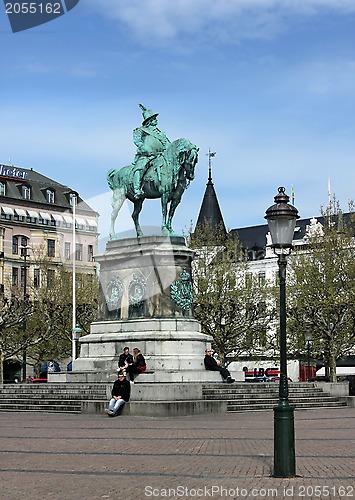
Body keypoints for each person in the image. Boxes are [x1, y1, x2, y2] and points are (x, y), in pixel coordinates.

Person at [131, 104, 171, 199]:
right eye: (153, 119)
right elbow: (138, 141)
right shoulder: (141, 130)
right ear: (149, 121)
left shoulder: (160, 133)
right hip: (147, 155)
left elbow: (167, 144)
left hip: (160, 156)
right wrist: (144, 149)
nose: (156, 120)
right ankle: (137, 189)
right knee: (139, 168)